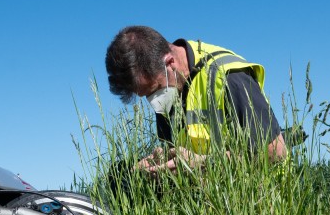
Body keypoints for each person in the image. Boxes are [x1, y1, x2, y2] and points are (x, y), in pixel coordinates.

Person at [105, 26, 287, 175]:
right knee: (120, 174)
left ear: (169, 63)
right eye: (146, 96)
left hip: (259, 206)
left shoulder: (228, 76)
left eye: (154, 90)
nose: (153, 101)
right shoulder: (168, 86)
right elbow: (179, 154)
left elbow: (276, 152)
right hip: (207, 204)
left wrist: (205, 163)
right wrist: (159, 165)